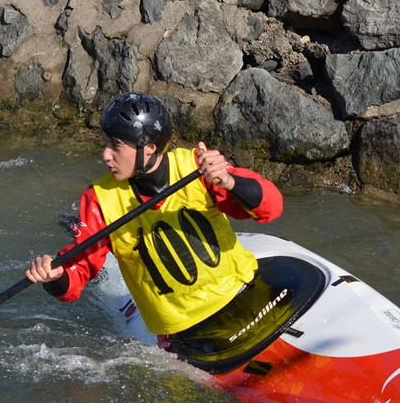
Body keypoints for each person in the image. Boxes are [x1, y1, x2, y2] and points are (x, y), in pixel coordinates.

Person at [26, 92, 283, 348]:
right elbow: (76, 275)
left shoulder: (197, 165)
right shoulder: (99, 200)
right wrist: (56, 275)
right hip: (184, 333)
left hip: (245, 293)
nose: (105, 155)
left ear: (149, 148)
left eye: (116, 146)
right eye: (105, 144)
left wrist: (228, 181)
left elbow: (271, 208)